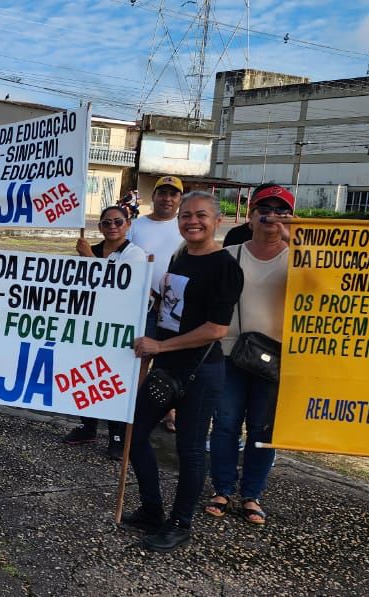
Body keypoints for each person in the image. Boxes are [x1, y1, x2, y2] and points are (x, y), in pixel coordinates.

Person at [125, 192, 243, 552]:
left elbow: (215, 329)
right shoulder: (180, 256)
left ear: (217, 221)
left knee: (190, 450)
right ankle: (152, 508)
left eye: (202, 215)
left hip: (200, 373)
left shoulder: (225, 267)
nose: (193, 221)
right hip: (167, 366)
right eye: (186, 215)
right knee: (135, 434)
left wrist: (160, 347)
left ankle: (180, 523)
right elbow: (173, 308)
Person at [205, 183, 293, 526]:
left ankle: (252, 494)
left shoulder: (299, 256)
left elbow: (324, 283)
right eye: (264, 210)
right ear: (250, 216)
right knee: (225, 424)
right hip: (230, 353)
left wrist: (295, 238)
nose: (271, 216)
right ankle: (223, 489)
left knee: (264, 430)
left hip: (277, 359)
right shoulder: (232, 254)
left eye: (281, 211)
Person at [62, 206, 147, 459]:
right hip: (92, 324)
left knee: (112, 381)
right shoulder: (93, 249)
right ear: (99, 227)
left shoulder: (135, 254)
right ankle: (88, 426)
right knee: (85, 375)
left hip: (119, 327)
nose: (112, 226)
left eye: (118, 222)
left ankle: (117, 437)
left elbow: (120, 287)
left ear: (128, 225)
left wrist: (89, 259)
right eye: (107, 222)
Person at [127, 175, 185, 433]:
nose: (167, 198)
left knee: (171, 362)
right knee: (141, 357)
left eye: (173, 194)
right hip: (143, 304)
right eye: (162, 193)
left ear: (179, 199)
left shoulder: (185, 226)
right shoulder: (136, 226)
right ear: (154, 196)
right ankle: (135, 409)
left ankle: (169, 411)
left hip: (176, 307)